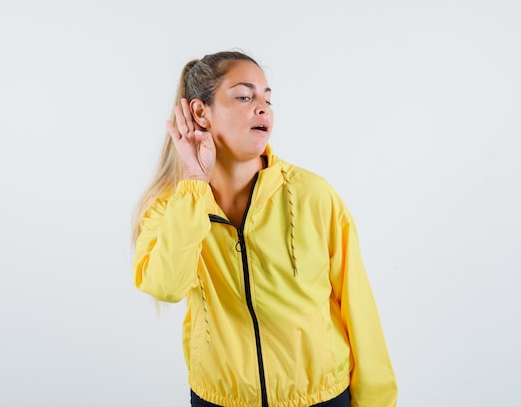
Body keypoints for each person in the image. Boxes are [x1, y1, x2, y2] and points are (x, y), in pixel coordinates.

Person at [131, 50, 397, 407]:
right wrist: (194, 184)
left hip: (320, 398)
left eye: (267, 99)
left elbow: (358, 306)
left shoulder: (312, 195)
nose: (263, 108)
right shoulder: (170, 208)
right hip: (220, 400)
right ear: (200, 112)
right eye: (244, 96)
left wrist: (377, 402)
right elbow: (166, 287)